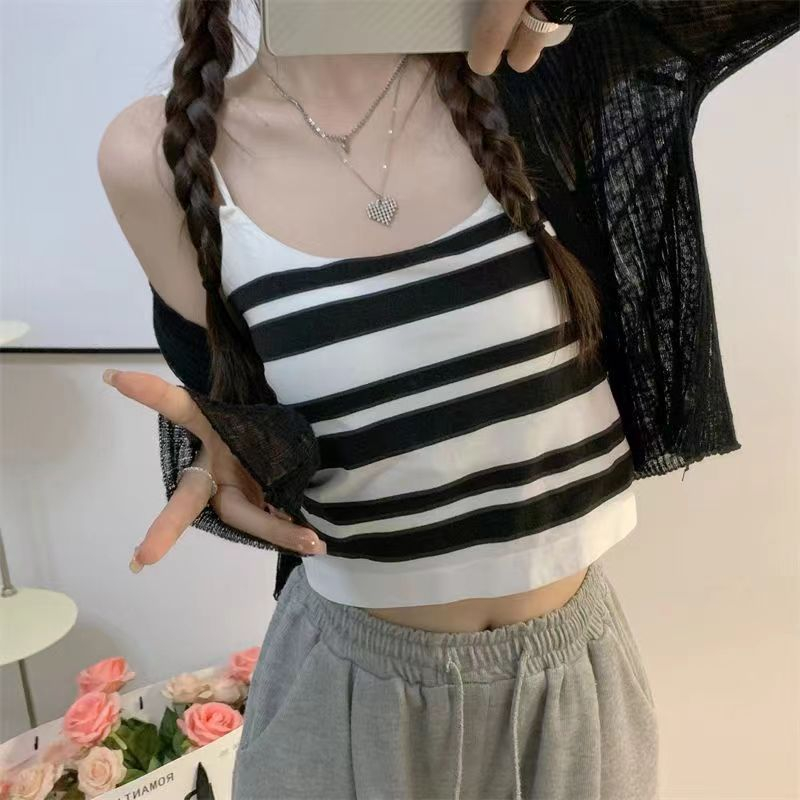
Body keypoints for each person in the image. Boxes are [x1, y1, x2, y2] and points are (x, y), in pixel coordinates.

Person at [96, 2, 798, 798]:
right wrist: (230, 452)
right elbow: (237, 412)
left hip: (570, 695)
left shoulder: (529, 67)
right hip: (349, 696)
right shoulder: (159, 152)